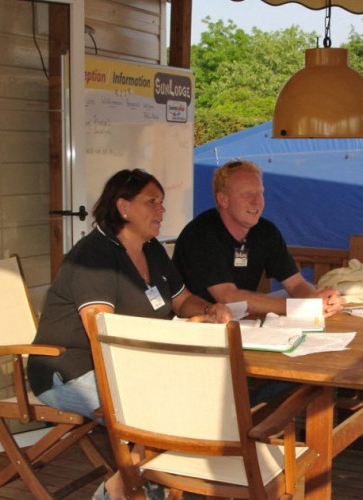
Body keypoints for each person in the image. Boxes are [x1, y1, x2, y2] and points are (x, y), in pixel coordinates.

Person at [27, 169, 231, 500]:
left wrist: (209, 310)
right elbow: (103, 332)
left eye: (162, 202)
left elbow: (181, 300)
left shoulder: (152, 250)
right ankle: (124, 489)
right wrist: (176, 333)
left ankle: (128, 484)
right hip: (72, 371)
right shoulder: (93, 257)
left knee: (197, 396)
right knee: (167, 409)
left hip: (133, 367)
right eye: (152, 202)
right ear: (123, 207)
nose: (162, 209)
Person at [173, 159, 344, 317]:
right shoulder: (201, 234)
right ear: (223, 200)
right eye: (247, 194)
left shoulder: (266, 231)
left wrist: (316, 301)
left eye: (260, 193)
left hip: (242, 321)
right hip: (197, 325)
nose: (256, 201)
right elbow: (227, 296)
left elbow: (297, 284)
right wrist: (298, 308)